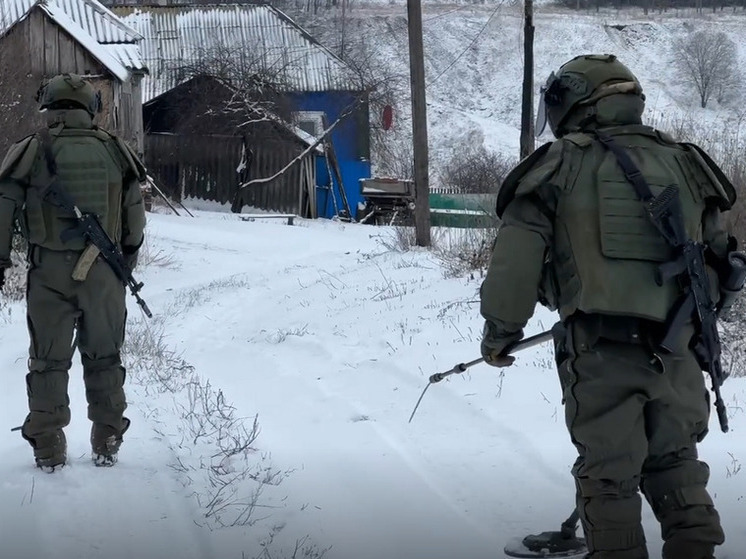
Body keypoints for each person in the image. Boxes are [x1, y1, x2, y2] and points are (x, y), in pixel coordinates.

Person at [479, 54, 741, 559]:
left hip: (602, 352)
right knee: (676, 464)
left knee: (611, 476)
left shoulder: (558, 164)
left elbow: (515, 264)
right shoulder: (688, 162)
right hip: (681, 349)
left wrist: (499, 334)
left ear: (571, 101)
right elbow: (718, 264)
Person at [0, 73, 147, 471]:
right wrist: (125, 262)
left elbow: (4, 203)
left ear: (49, 106)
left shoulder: (31, 149)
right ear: (90, 107)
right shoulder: (116, 149)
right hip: (104, 273)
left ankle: (48, 444)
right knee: (104, 355)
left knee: (48, 360)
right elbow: (134, 213)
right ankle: (108, 436)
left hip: (48, 272)